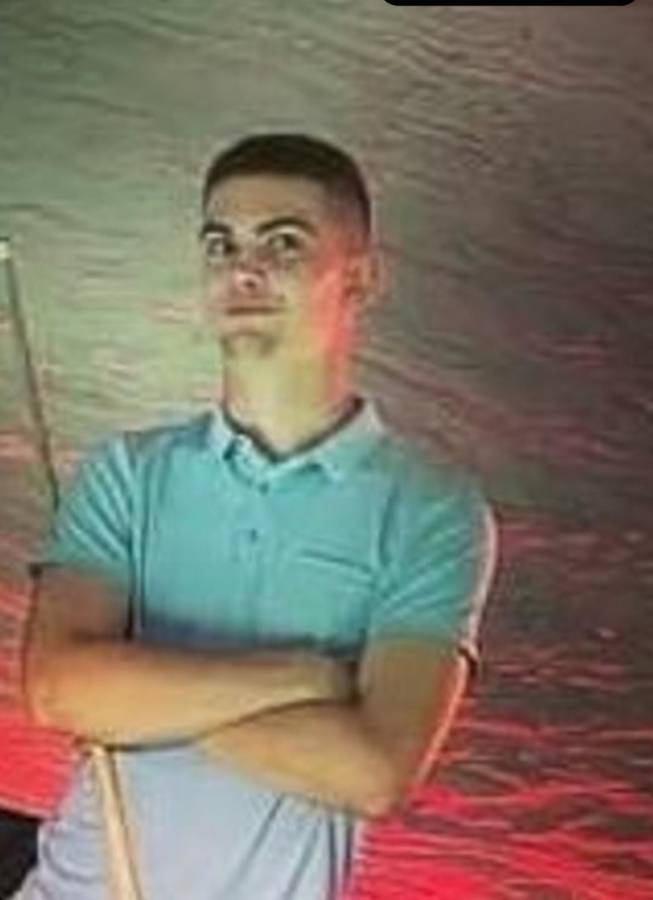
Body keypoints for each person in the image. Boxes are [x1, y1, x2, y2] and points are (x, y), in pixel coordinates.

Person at [15, 133, 497, 900]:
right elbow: (59, 691)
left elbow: (373, 771)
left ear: (361, 276)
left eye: (283, 243)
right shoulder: (127, 473)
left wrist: (137, 700)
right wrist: (308, 680)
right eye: (221, 244)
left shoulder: (432, 511)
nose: (242, 270)